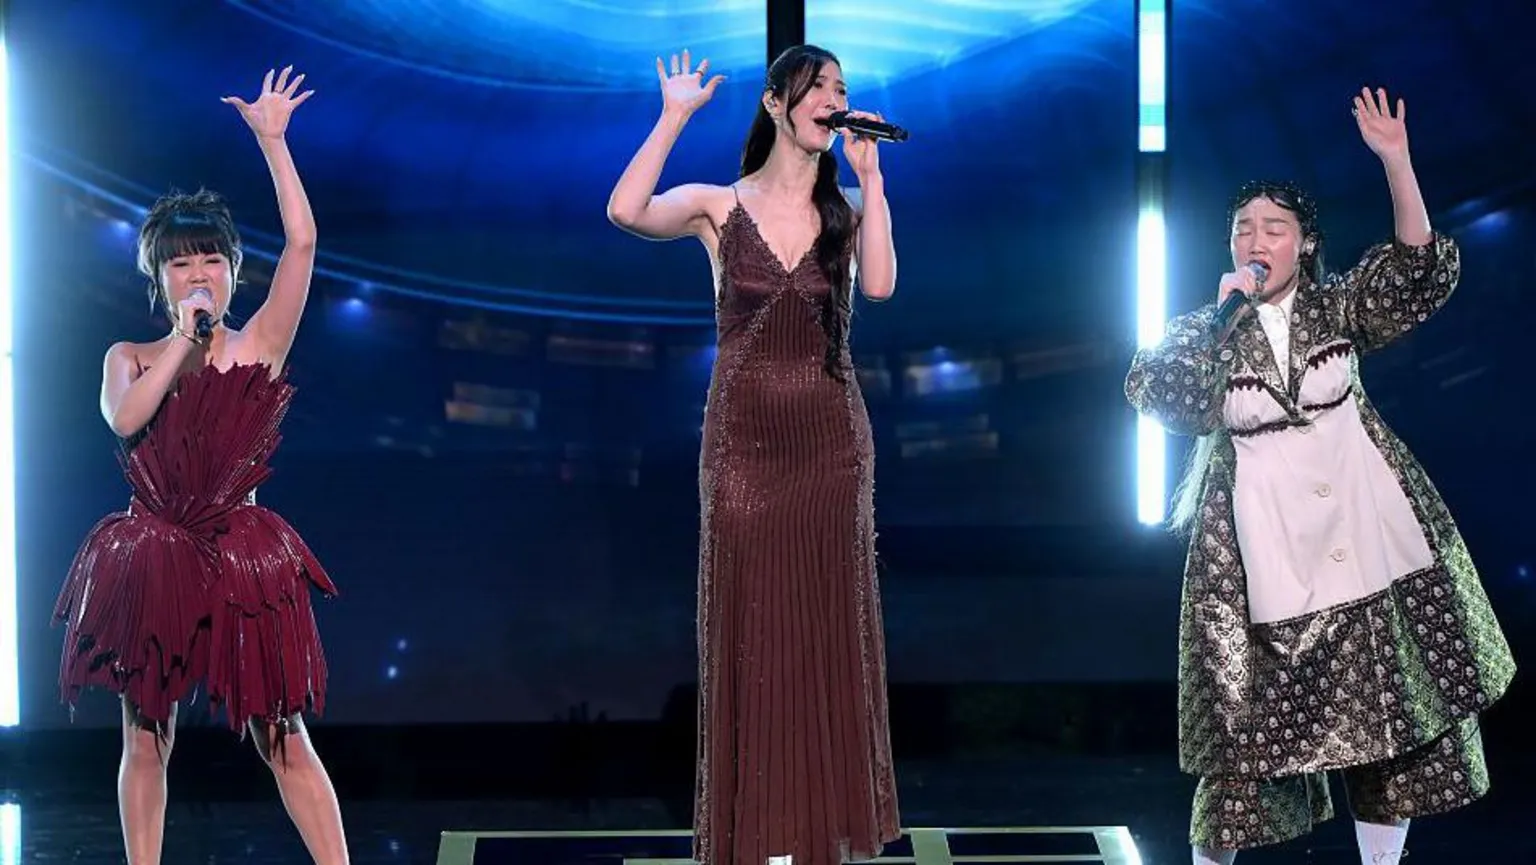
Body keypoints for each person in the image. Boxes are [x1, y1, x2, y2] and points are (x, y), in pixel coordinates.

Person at [1125, 87, 1515, 865]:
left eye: (1275, 227)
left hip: (1362, 528)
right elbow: (1159, 390)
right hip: (1260, 549)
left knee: (1388, 713)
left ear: (1305, 243)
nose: (1256, 239)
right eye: (1244, 229)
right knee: (1240, 735)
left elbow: (1416, 271)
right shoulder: (1208, 328)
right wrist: (1217, 315)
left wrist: (1396, 162)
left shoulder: (1338, 306)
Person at [607, 44, 901, 865]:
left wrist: (872, 180)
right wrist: (672, 116)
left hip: (831, 451)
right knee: (757, 639)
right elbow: (626, 210)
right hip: (743, 452)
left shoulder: (841, 215)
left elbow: (878, 285)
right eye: (818, 89)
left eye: (841, 89)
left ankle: (819, 841)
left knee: (823, 640)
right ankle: (760, 839)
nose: (833, 100)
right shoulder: (718, 205)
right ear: (777, 104)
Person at [51, 67, 348, 865]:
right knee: (146, 732)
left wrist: (273, 142)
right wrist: (184, 340)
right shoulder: (131, 356)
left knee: (281, 732)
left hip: (243, 552)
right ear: (159, 279)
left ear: (231, 269)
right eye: (181, 265)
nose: (199, 274)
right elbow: (124, 419)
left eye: (211, 259)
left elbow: (305, 243)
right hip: (153, 550)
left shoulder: (260, 345)